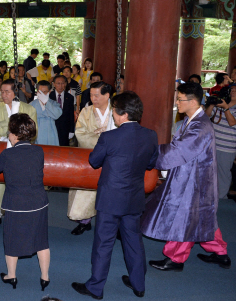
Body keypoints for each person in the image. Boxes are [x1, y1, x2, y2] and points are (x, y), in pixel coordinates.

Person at [72, 91, 158, 300]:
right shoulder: (151, 135)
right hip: (135, 198)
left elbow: (94, 161)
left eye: (114, 112)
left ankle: (95, 287)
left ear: (124, 114)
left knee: (104, 243)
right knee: (134, 241)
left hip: (110, 199)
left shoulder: (109, 137)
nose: (113, 115)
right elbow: (150, 164)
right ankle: (139, 284)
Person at [142, 82, 231, 272]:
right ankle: (220, 253)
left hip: (195, 181)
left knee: (185, 218)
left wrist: (150, 153)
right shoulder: (194, 120)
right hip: (194, 176)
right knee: (203, 217)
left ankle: (176, 259)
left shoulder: (200, 126)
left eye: (180, 99)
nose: (177, 102)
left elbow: (179, 150)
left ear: (192, 101)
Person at [0, 113, 50, 291]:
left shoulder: (7, 154)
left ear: (13, 134)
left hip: (16, 204)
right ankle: (45, 278)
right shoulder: (39, 151)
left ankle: (11, 276)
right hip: (39, 202)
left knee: (12, 240)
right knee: (41, 241)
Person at [0, 79, 37, 232]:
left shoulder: (28, 109)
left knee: (19, 188)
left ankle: (19, 216)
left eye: (7, 91)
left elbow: (34, 130)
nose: (3, 94)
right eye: (2, 91)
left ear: (15, 92)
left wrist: (17, 140)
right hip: (0, 151)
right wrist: (1, 139)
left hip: (21, 153)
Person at [68, 82, 116, 235]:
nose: (93, 98)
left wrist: (104, 137)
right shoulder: (86, 111)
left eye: (97, 95)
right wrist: (102, 139)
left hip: (113, 158)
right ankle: (84, 221)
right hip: (90, 155)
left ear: (107, 95)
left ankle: (114, 225)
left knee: (112, 192)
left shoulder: (117, 110)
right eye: (91, 95)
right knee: (86, 189)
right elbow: (80, 133)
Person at [205, 83, 236, 199]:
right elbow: (206, 116)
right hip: (212, 145)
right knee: (209, 173)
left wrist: (226, 108)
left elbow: (232, 122)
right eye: (231, 89)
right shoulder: (218, 106)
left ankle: (222, 199)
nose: (232, 92)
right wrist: (212, 104)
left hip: (227, 148)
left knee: (223, 175)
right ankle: (210, 197)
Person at [30, 80, 62, 145]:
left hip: (50, 135)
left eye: (45, 92)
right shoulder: (31, 105)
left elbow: (57, 114)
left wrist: (46, 103)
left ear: (49, 92)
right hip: (37, 135)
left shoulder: (54, 104)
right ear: (37, 91)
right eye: (40, 92)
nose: (42, 94)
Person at [49, 75, 75, 146]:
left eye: (62, 83)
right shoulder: (49, 96)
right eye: (58, 83)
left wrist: (71, 130)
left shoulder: (70, 97)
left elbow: (71, 115)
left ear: (66, 84)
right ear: (54, 84)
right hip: (52, 127)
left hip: (65, 129)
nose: (60, 86)